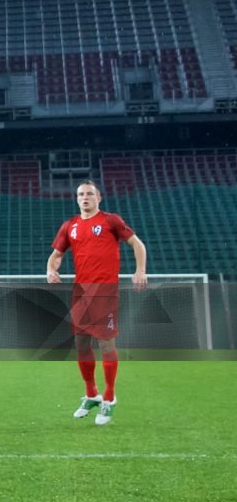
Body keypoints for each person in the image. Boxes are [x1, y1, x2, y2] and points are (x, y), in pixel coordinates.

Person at [47, 180, 147, 426]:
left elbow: (137, 244)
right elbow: (57, 255)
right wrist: (50, 268)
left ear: (99, 197)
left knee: (105, 343)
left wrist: (140, 270)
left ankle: (109, 397)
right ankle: (91, 394)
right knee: (81, 343)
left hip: (105, 291)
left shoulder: (110, 221)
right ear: (76, 198)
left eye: (90, 193)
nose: (85, 197)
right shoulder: (70, 226)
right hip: (81, 292)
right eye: (81, 194)